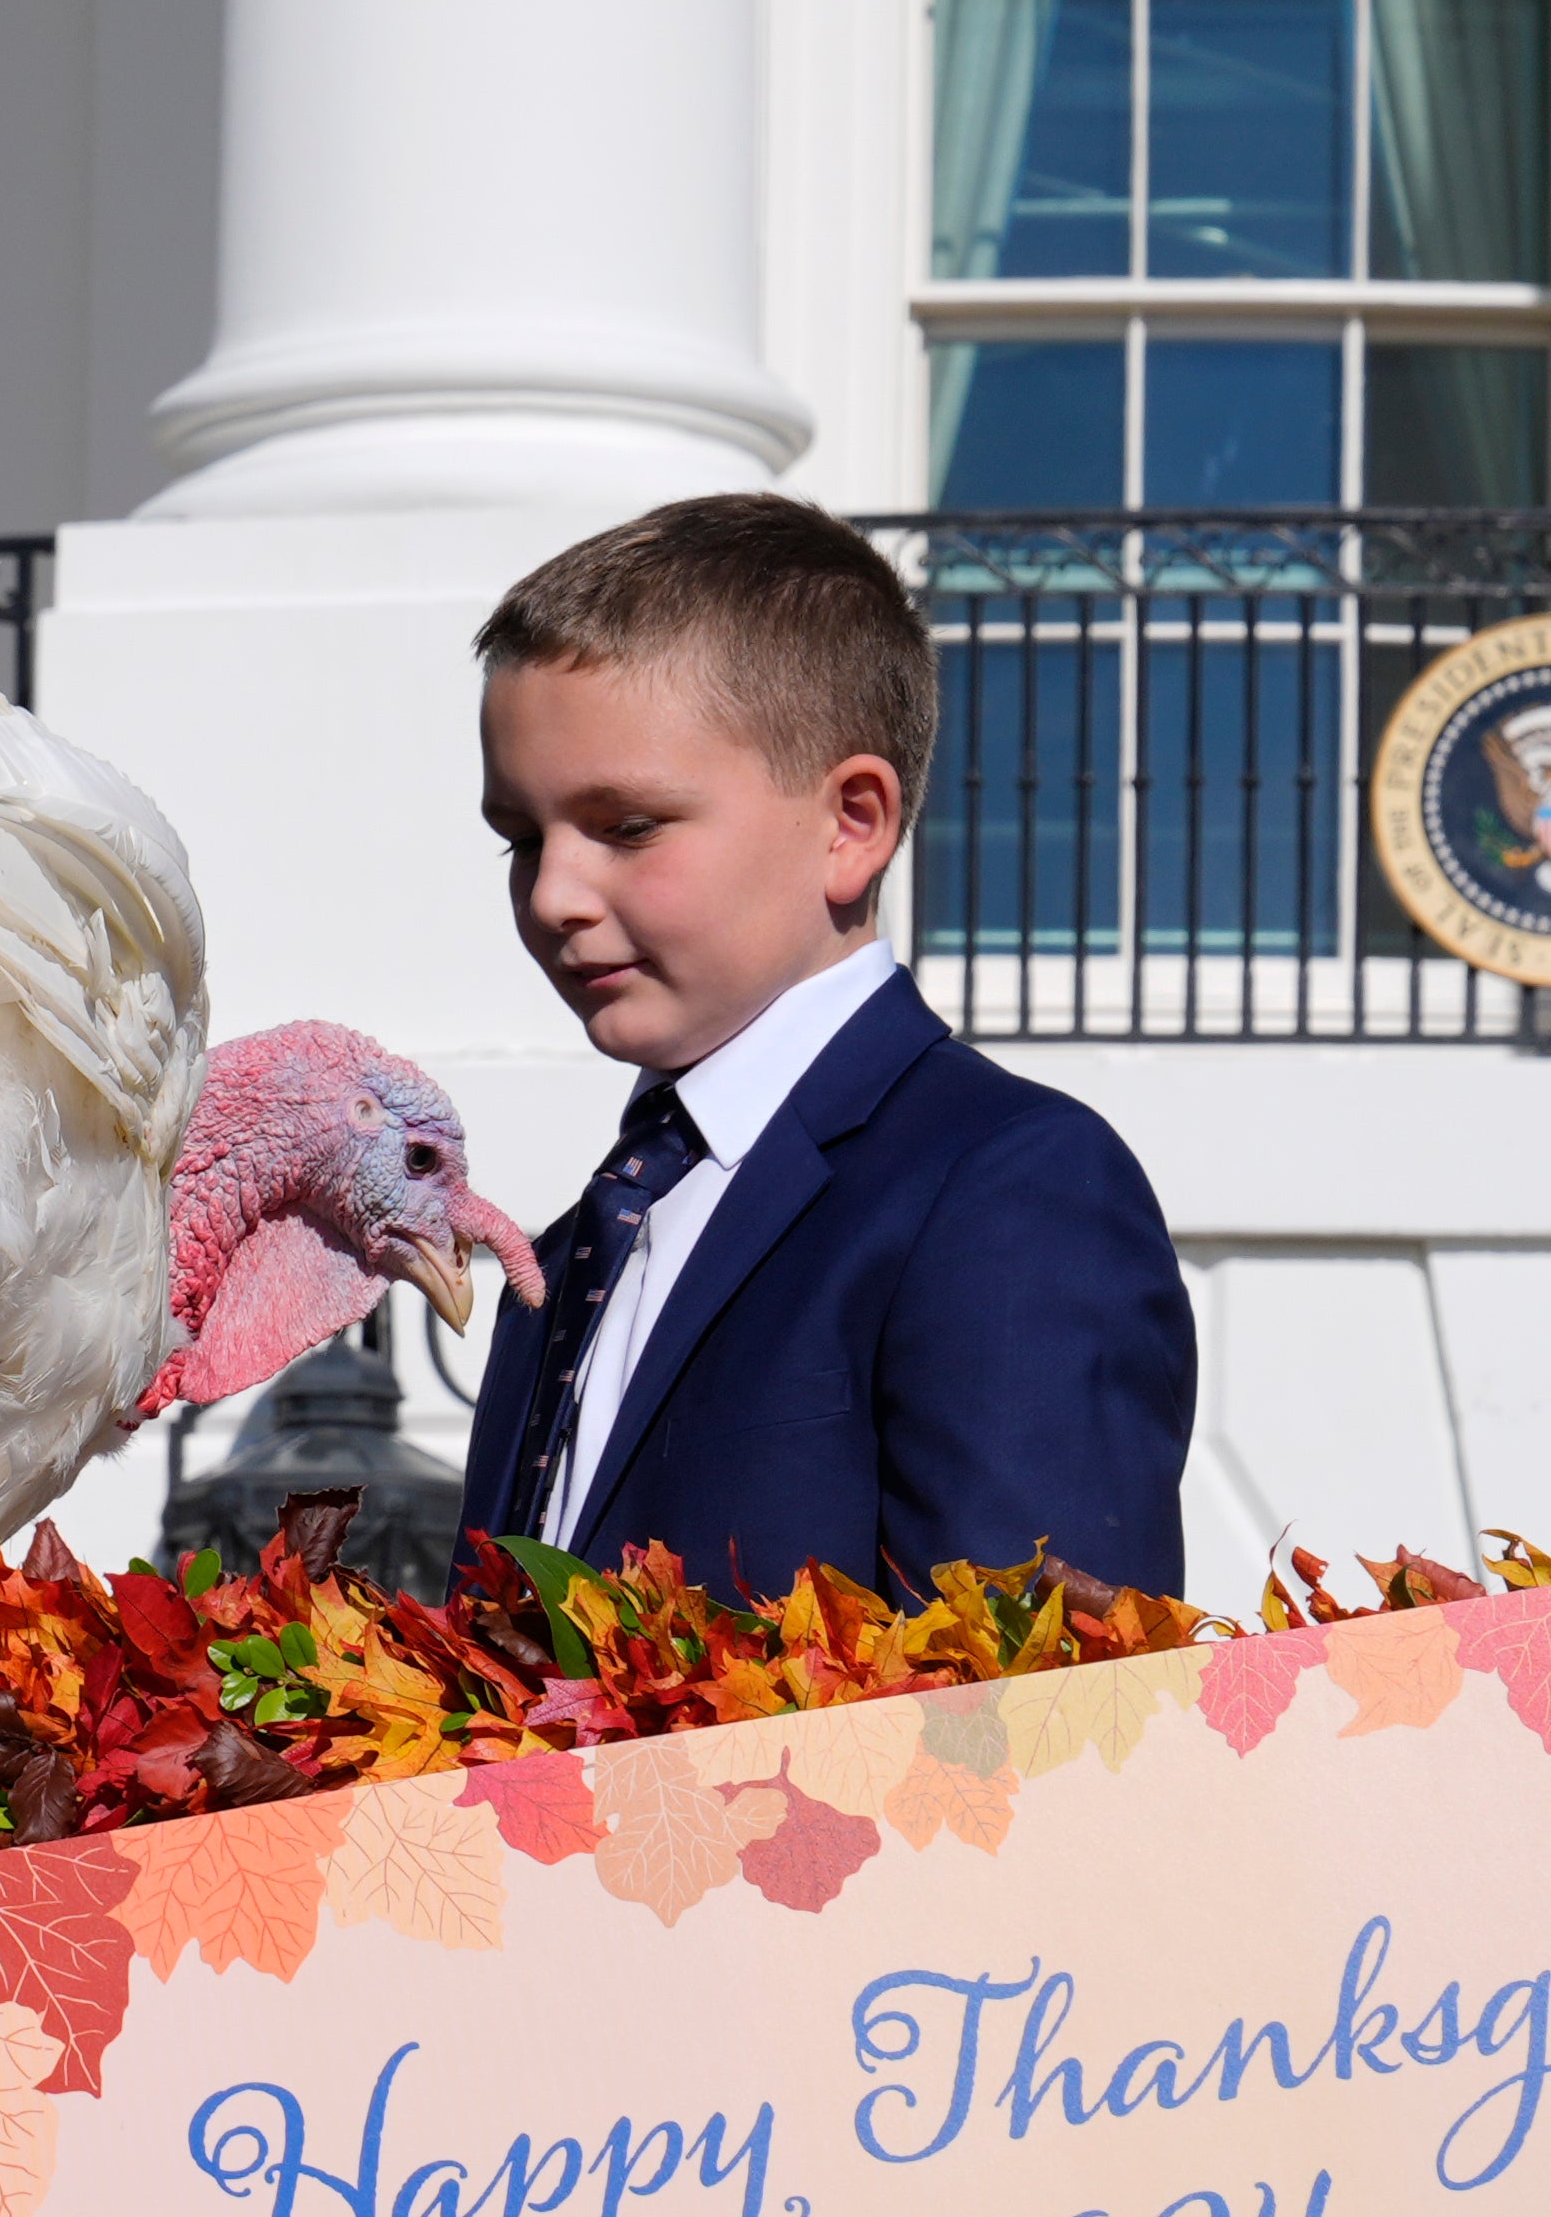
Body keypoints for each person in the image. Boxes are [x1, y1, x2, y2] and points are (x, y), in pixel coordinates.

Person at [454, 493, 1194, 1597]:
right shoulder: (566, 1258)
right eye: (522, 839)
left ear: (852, 822)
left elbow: (1051, 1736)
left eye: (628, 826)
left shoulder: (1006, 1187)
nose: (554, 892)